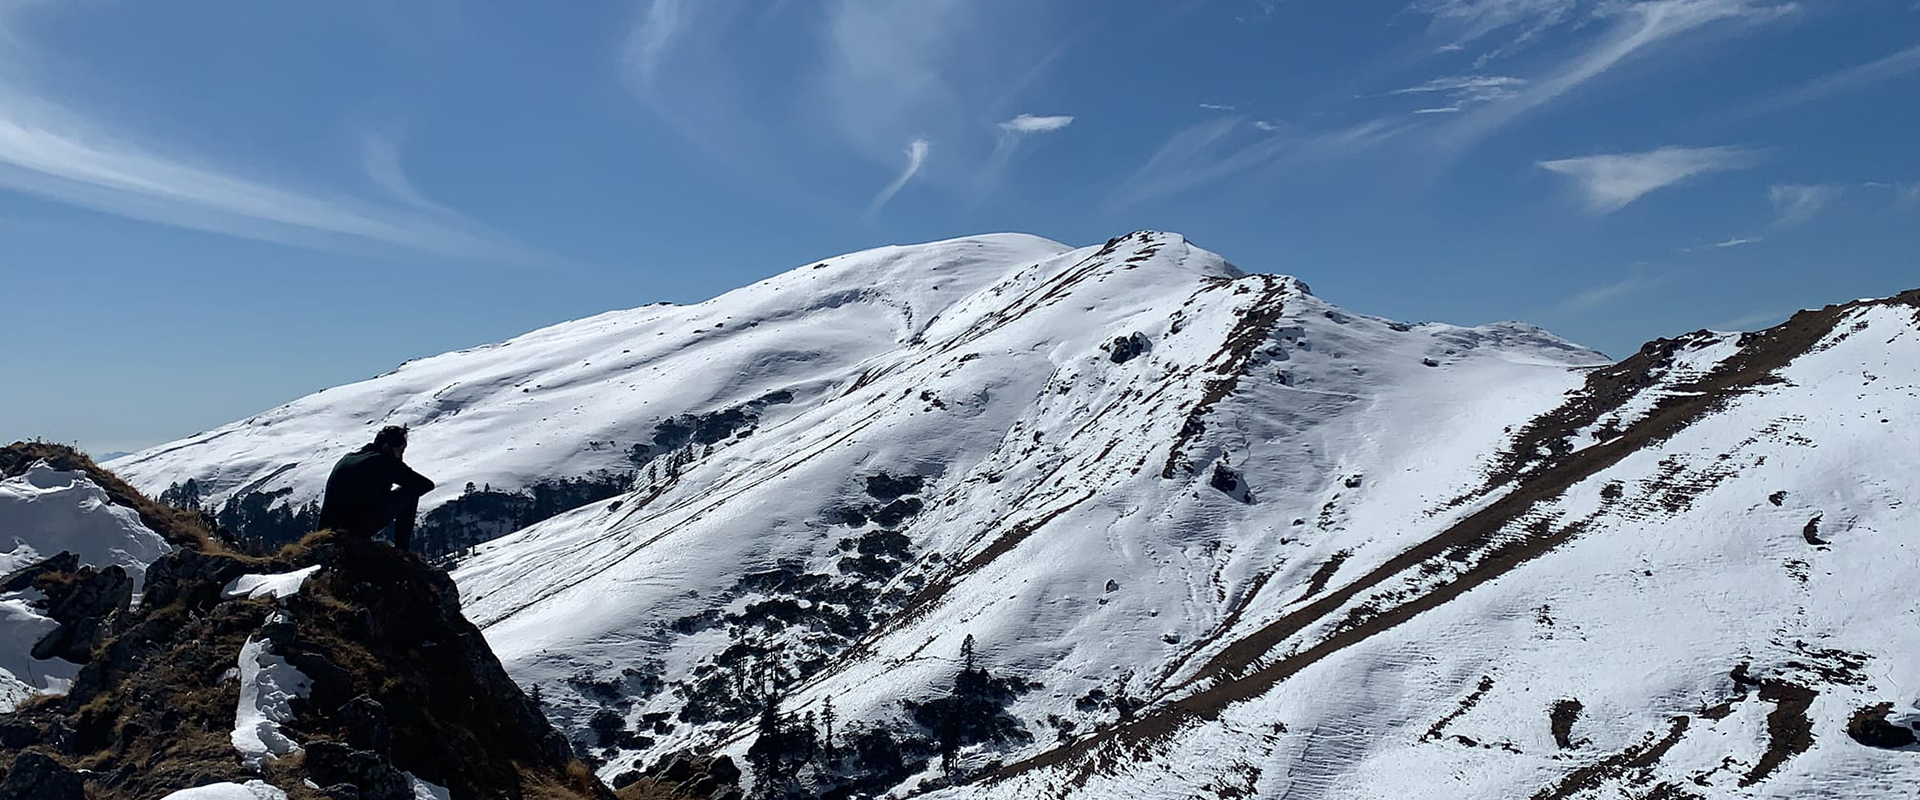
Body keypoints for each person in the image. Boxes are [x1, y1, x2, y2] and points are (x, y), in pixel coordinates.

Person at [319, 425, 435, 551]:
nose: (400, 457)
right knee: (412, 491)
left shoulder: (348, 458)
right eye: (399, 451)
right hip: (354, 530)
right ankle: (402, 551)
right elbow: (425, 485)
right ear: (386, 447)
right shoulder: (384, 461)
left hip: (328, 532)